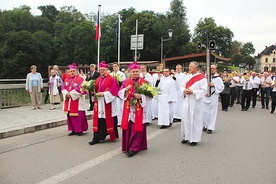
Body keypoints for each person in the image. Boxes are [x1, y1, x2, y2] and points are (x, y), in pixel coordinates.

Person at [118, 61, 149, 157]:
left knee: (137, 129)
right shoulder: (125, 82)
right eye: (133, 71)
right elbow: (119, 93)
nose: (135, 73)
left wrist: (140, 96)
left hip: (139, 108)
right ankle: (128, 146)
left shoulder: (144, 82)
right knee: (128, 128)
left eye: (137, 71)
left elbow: (150, 96)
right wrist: (125, 91)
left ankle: (134, 148)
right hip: (128, 108)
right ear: (130, 72)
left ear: (140, 71)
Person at [89, 61, 119, 145]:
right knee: (99, 120)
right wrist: (92, 91)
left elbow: (114, 91)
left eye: (103, 70)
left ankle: (111, 134)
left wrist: (103, 94)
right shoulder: (98, 79)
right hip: (99, 103)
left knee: (108, 119)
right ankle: (97, 137)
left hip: (108, 102)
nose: (101, 71)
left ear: (106, 70)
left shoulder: (112, 79)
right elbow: (95, 89)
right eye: (100, 69)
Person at [180, 61, 207, 146]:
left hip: (195, 102)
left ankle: (194, 139)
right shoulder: (187, 77)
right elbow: (181, 86)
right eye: (189, 66)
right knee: (185, 119)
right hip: (187, 100)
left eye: (191, 67)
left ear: (196, 68)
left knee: (194, 120)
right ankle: (186, 136)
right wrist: (184, 90)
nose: (189, 68)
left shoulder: (202, 78)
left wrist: (193, 91)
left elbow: (204, 91)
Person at [62, 63, 88, 136]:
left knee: (78, 116)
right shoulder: (67, 79)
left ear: (76, 71)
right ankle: (73, 129)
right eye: (71, 71)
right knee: (70, 116)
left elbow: (80, 88)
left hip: (77, 100)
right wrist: (66, 93)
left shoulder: (80, 79)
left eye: (73, 71)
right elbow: (63, 88)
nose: (72, 72)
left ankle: (79, 130)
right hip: (69, 100)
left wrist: (71, 94)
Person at [203, 65, 224, 134]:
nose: (212, 70)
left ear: (215, 70)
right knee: (204, 112)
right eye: (211, 69)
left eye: (213, 69)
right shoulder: (204, 77)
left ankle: (210, 127)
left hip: (213, 96)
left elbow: (221, 87)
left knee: (212, 112)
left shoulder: (218, 78)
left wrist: (214, 85)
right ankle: (205, 125)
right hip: (205, 96)